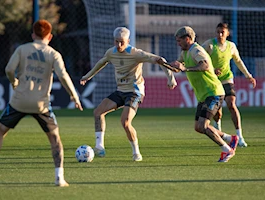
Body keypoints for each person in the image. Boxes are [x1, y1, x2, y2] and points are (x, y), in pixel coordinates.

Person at [0, 19, 83, 187]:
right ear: (50, 36)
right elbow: (63, 75)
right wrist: (74, 96)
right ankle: (59, 177)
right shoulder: (53, 54)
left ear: (33, 34)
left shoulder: (22, 49)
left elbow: (9, 69)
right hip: (41, 104)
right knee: (54, 139)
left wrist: (14, 81)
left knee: (0, 131)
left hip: (19, 101)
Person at [80, 27, 177, 162]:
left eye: (122, 42)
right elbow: (101, 63)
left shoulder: (136, 53)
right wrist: (87, 76)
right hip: (121, 91)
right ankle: (99, 147)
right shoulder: (111, 53)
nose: (119, 45)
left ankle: (136, 152)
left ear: (128, 41)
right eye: (116, 42)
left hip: (135, 92)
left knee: (125, 122)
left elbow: (160, 59)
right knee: (98, 112)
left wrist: (170, 78)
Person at [170, 26, 239, 162]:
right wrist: (165, 64)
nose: (178, 44)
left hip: (213, 92)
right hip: (204, 95)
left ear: (187, 39)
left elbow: (205, 65)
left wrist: (185, 68)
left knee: (204, 125)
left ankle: (227, 150)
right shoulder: (185, 52)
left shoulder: (196, 50)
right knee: (198, 127)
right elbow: (178, 65)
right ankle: (230, 138)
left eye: (179, 41)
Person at [202, 23, 256, 147]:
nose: (220, 35)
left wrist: (248, 75)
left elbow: (238, 61)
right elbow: (200, 59)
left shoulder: (231, 46)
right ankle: (218, 127)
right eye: (218, 32)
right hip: (213, 81)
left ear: (227, 33)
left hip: (227, 79)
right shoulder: (209, 45)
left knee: (231, 104)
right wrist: (211, 69)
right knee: (218, 113)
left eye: (222, 32)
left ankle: (240, 136)